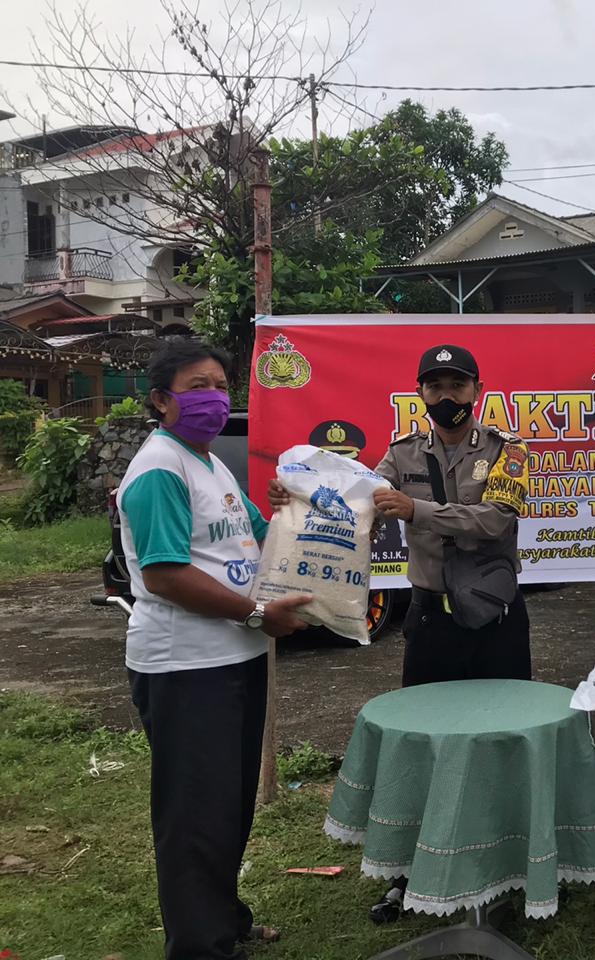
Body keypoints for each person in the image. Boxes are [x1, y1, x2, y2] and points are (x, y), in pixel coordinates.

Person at [272, 343, 532, 923]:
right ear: (421, 393)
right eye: (435, 385)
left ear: (477, 389)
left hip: (495, 621)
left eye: (457, 384)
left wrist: (415, 510)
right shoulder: (400, 454)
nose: (446, 395)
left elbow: (495, 521)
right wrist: (296, 496)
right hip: (431, 620)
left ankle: (506, 867)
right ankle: (411, 871)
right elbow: (353, 501)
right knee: (424, 742)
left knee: (502, 739)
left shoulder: (509, 452)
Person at [119, 339, 312, 960]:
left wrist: (296, 515)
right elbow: (165, 574)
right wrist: (256, 613)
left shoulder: (208, 464)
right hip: (187, 665)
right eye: (198, 386)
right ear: (160, 400)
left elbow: (254, 537)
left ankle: (223, 919)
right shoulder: (159, 469)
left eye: (221, 386)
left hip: (233, 657)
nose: (215, 398)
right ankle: (200, 946)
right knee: (195, 813)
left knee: (226, 803)